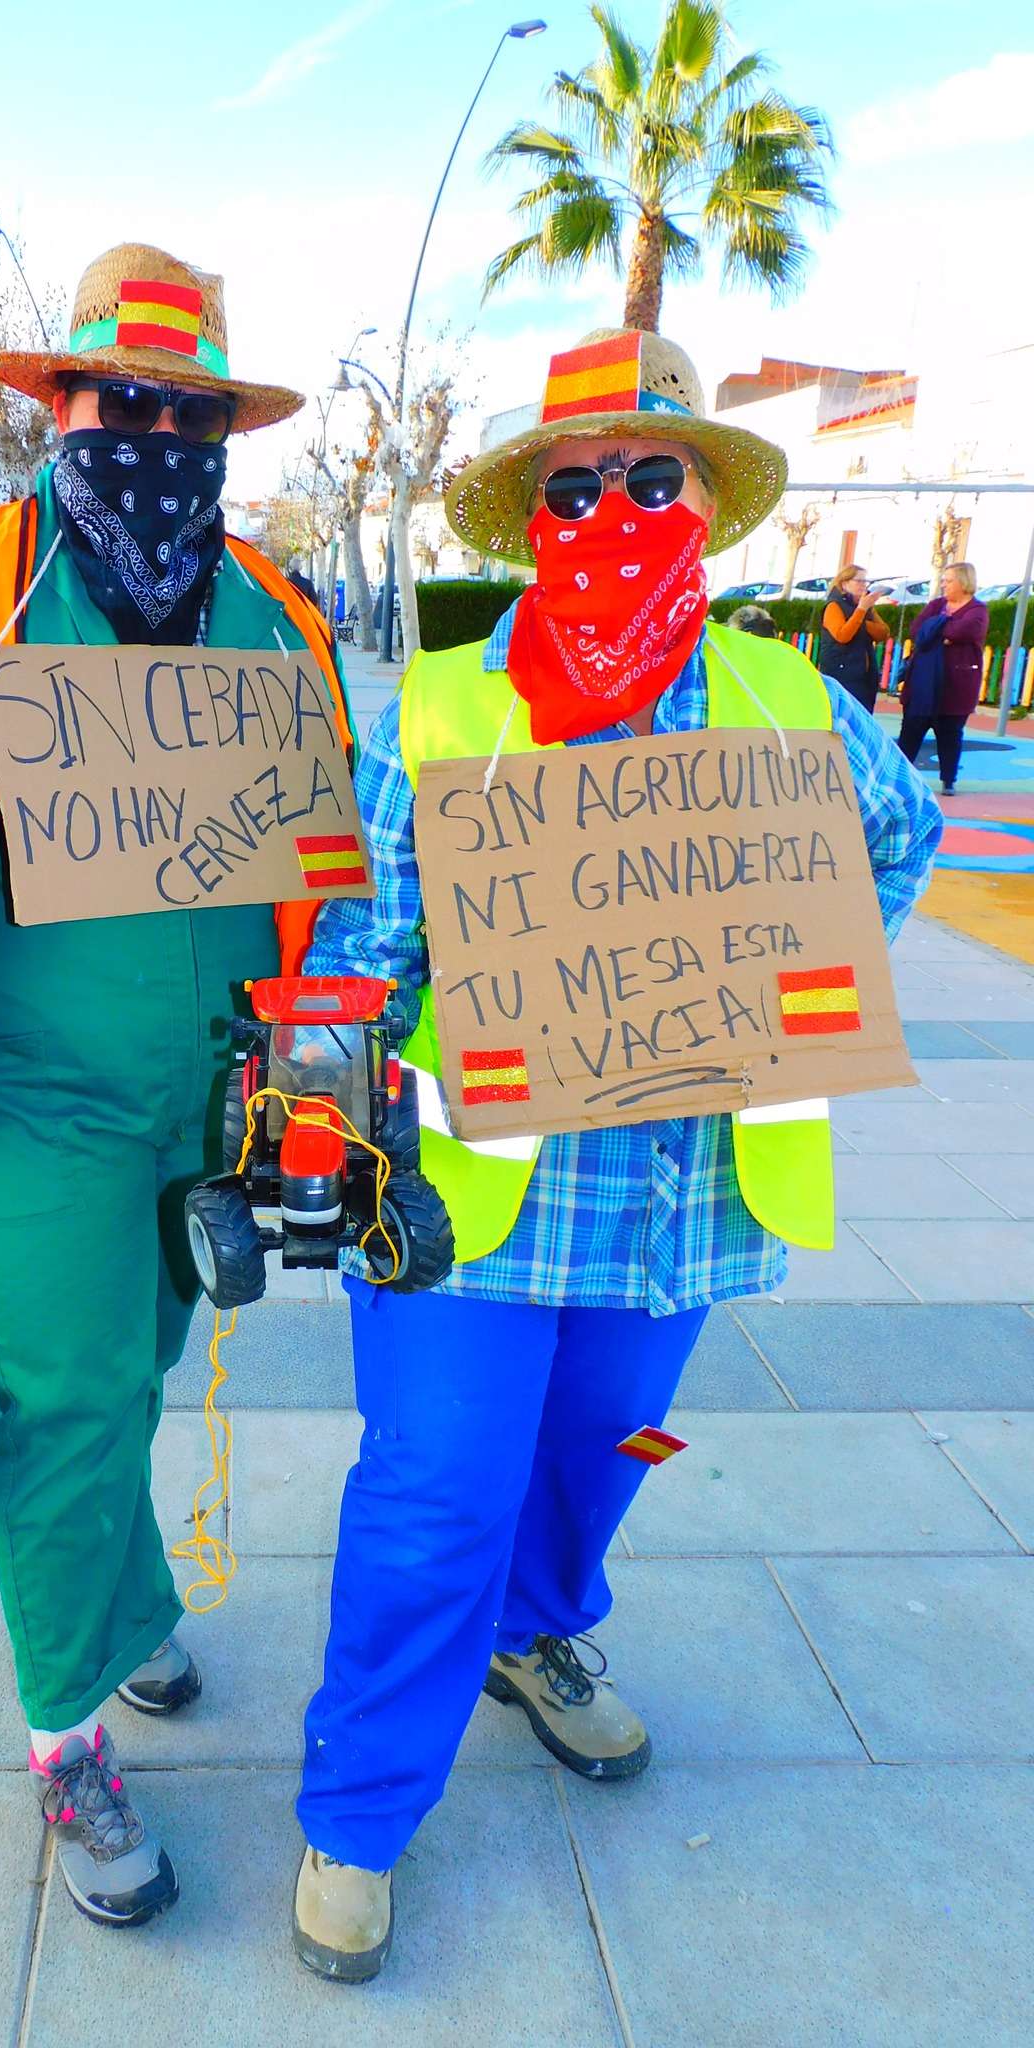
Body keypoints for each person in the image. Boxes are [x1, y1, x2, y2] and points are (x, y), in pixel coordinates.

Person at [289, 327, 943, 1983]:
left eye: (651, 478)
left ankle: (538, 1634)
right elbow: (361, 945)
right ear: (533, 515)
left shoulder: (786, 692)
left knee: (598, 1460)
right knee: (435, 1495)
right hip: (477, 1203)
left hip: (680, 1204)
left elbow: (902, 835)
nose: (613, 507)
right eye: (575, 486)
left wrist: (797, 966)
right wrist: (337, 1143)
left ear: (701, 507)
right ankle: (358, 1811)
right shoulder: (444, 700)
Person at [0, 242, 352, 1931]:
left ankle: (124, 1611)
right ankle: (66, 1739)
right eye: (128, 400)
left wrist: (314, 1087)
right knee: (70, 1402)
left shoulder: (273, 614)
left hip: (206, 1097)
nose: (158, 433)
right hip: (20, 1103)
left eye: (192, 411)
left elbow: (323, 880)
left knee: (151, 1354)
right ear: (62, 402)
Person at [897, 562, 989, 796]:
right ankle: (899, 775)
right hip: (923, 683)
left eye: (949, 580)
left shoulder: (978, 610)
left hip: (956, 685)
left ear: (963, 582)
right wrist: (943, 631)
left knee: (950, 733)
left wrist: (936, 629)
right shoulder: (937, 605)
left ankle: (948, 779)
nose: (944, 584)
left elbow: (966, 631)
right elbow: (917, 629)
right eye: (944, 580)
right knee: (911, 730)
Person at [818, 564, 889, 710]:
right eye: (859, 581)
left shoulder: (863, 607)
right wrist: (861, 610)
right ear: (844, 584)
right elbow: (842, 636)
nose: (864, 585)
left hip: (864, 674)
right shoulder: (834, 606)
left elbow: (883, 633)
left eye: (866, 581)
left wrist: (863, 613)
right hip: (841, 673)